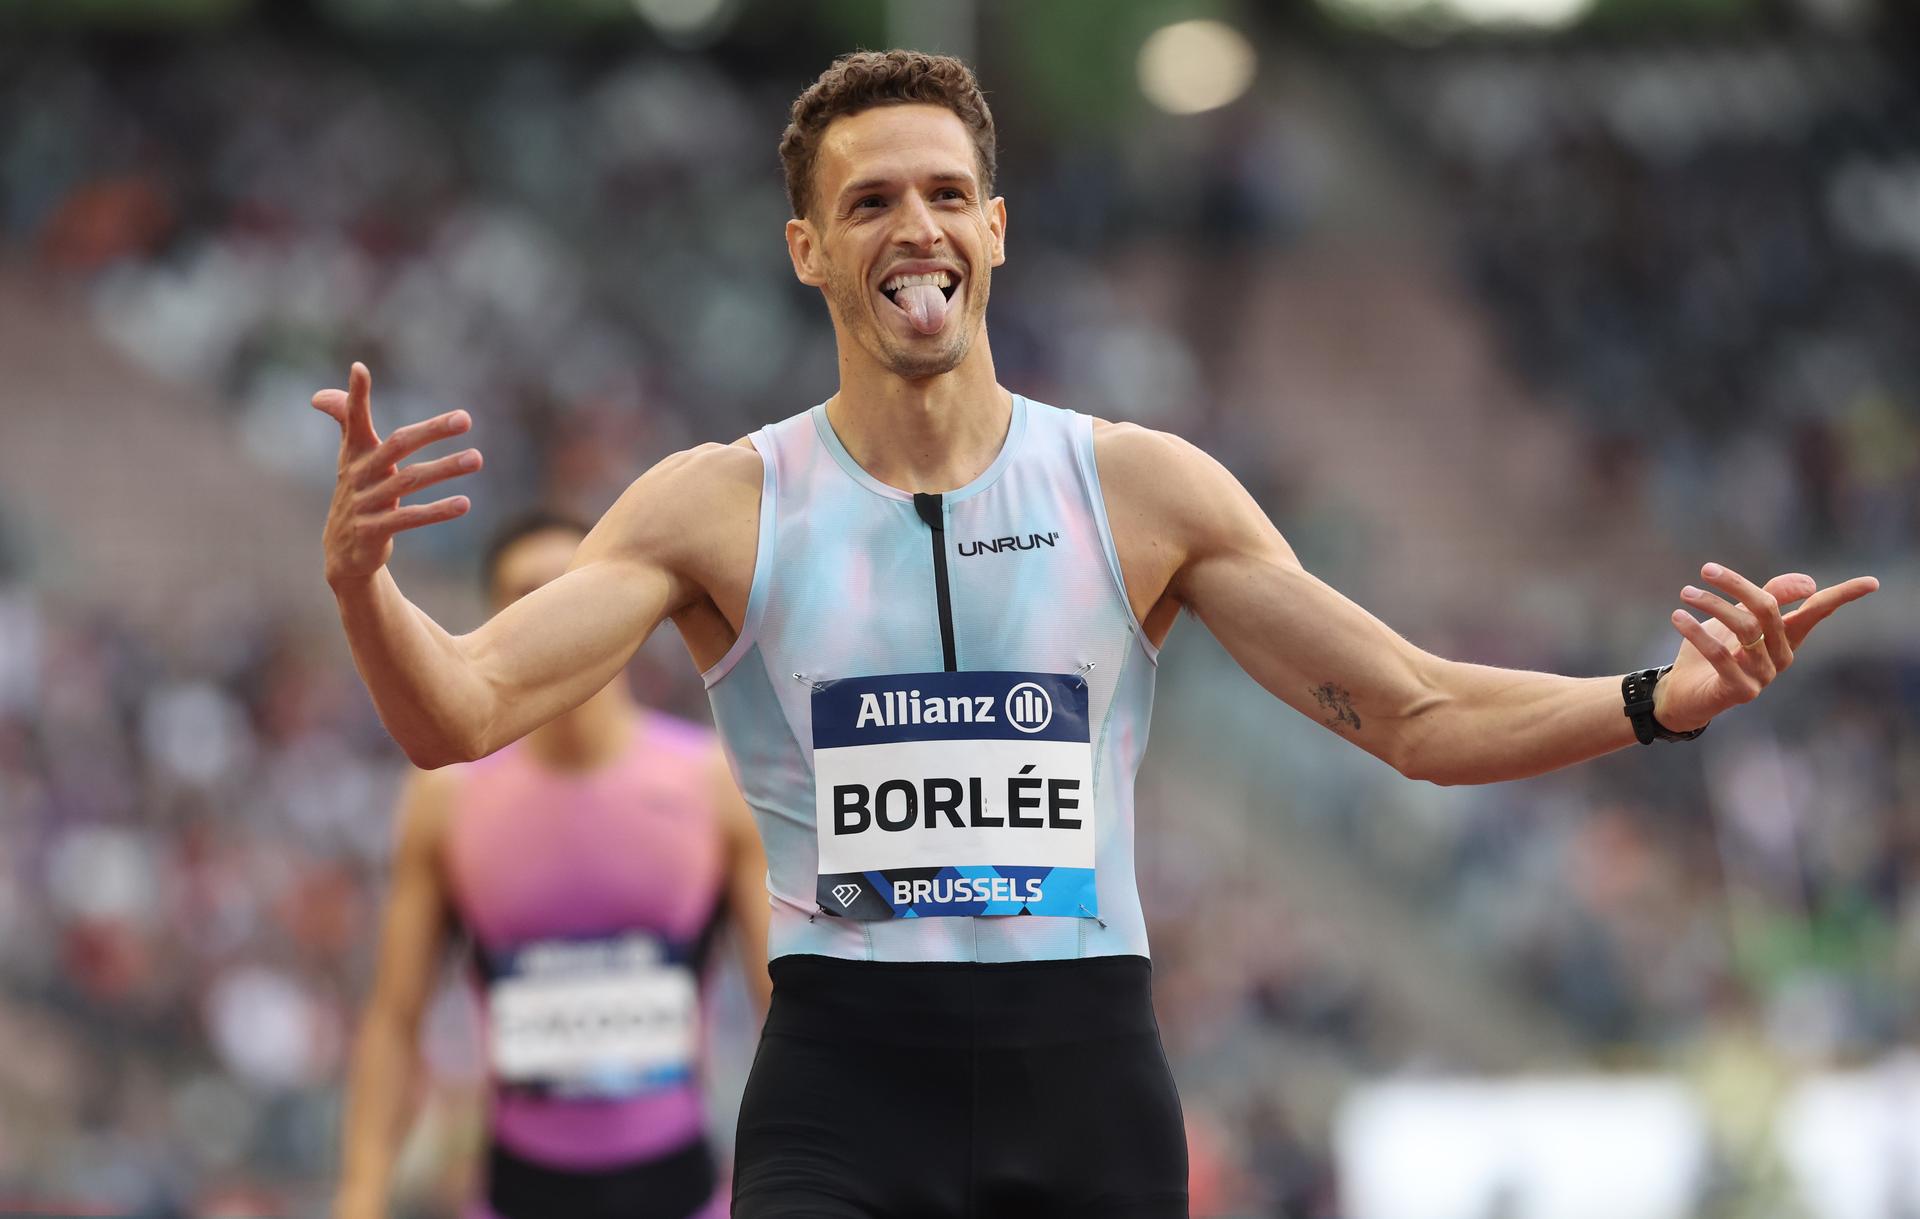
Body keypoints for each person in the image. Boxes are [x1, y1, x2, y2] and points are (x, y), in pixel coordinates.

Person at [310, 50, 1879, 1219]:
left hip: (1082, 1078)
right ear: (807, 248)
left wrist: (1656, 698)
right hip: (842, 1087)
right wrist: (364, 585)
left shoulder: (1137, 490)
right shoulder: (719, 504)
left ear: (997, 229)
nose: (913, 227)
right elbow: (461, 711)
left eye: (944, 194)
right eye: (868, 201)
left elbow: (1412, 710)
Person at [332, 510, 770, 1219]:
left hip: (688, 1194)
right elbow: (394, 1018)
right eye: (523, 596)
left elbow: (780, 1001)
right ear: (491, 620)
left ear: (620, 608)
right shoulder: (447, 800)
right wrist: (360, 1193)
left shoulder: (712, 784)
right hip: (515, 1193)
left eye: (568, 588)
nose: (547, 614)